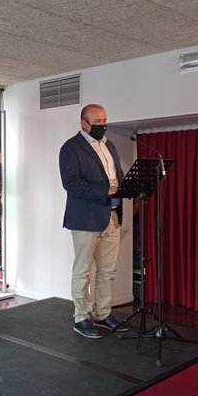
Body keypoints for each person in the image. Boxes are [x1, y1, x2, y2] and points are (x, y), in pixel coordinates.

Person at [59, 103, 127, 338]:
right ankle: (81, 316)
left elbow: (117, 177)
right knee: (83, 270)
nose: (102, 125)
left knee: (107, 271)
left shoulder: (110, 146)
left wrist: (124, 187)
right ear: (84, 124)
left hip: (112, 215)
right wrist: (105, 191)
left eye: (104, 120)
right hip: (85, 218)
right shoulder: (71, 148)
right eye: (97, 122)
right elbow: (71, 183)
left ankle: (103, 313)